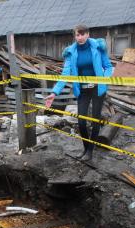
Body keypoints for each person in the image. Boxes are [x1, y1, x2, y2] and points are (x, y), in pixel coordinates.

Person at [46, 24, 113, 161]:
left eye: (83, 34)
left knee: (95, 121)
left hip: (97, 89)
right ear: (75, 36)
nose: (80, 37)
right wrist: (54, 93)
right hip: (82, 90)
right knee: (81, 121)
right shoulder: (71, 52)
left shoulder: (98, 48)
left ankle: (90, 151)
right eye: (78, 35)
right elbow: (65, 74)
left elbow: (108, 67)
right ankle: (85, 148)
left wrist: (103, 80)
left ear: (88, 34)